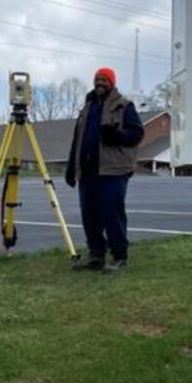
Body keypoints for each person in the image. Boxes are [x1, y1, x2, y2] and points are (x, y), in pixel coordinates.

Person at [65, 67, 144, 272]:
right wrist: (71, 167)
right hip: (88, 171)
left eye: (104, 80)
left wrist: (117, 136)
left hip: (113, 171)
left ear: (112, 83)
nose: (100, 83)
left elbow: (137, 133)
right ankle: (96, 255)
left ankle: (119, 256)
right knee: (89, 215)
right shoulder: (87, 108)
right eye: (97, 80)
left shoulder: (124, 106)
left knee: (112, 214)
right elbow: (77, 140)